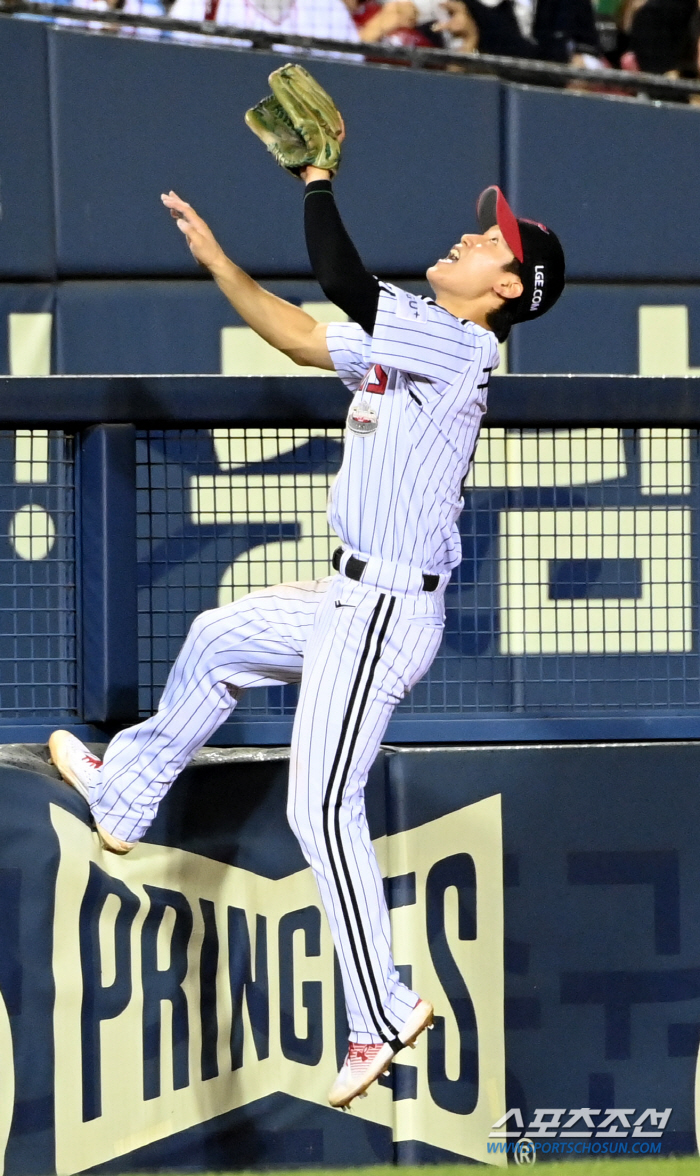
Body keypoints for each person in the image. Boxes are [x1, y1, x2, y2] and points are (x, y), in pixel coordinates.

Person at [49, 146, 564, 1107]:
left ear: (505, 285)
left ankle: (383, 1012)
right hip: (347, 597)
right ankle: (125, 795)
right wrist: (217, 262)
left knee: (320, 808)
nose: (467, 232)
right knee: (215, 637)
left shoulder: (461, 343)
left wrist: (317, 182)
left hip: (386, 610)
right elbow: (298, 334)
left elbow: (338, 279)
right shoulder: (413, 339)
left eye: (488, 238)